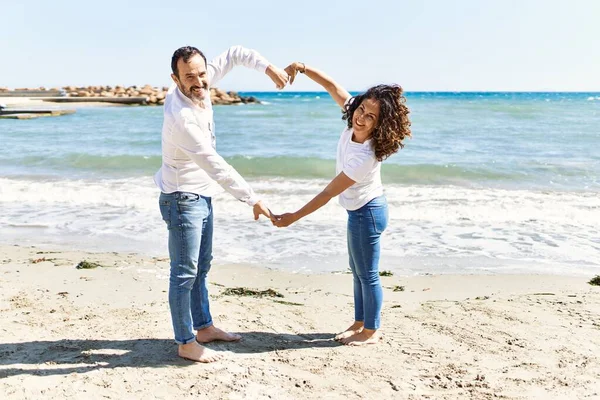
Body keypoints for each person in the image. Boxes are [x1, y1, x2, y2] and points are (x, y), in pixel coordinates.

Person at [155, 45, 287, 362]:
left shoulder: (203, 79)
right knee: (184, 273)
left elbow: (235, 53)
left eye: (202, 73)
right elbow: (215, 165)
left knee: (202, 267)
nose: (199, 81)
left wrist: (267, 68)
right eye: (189, 77)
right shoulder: (182, 118)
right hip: (181, 198)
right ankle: (186, 342)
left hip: (202, 193)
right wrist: (252, 199)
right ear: (175, 78)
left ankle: (204, 327)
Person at [273, 62, 411, 345]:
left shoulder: (365, 157)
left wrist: (293, 217)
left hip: (368, 212)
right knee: (358, 270)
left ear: (379, 124)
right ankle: (360, 322)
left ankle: (371, 331)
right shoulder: (354, 116)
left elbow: (327, 193)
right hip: (359, 211)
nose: (361, 117)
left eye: (370, 117)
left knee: (368, 274)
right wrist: (302, 68)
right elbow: (332, 87)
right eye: (361, 109)